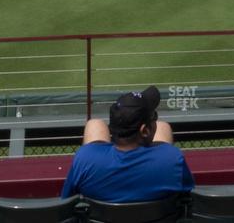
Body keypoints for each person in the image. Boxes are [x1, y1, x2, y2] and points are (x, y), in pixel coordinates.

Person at [61, 87, 194, 202]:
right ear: (145, 130)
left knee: (94, 124)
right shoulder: (172, 158)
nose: (156, 122)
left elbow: (67, 201)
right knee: (163, 127)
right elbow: (188, 198)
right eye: (154, 117)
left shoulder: (85, 159)